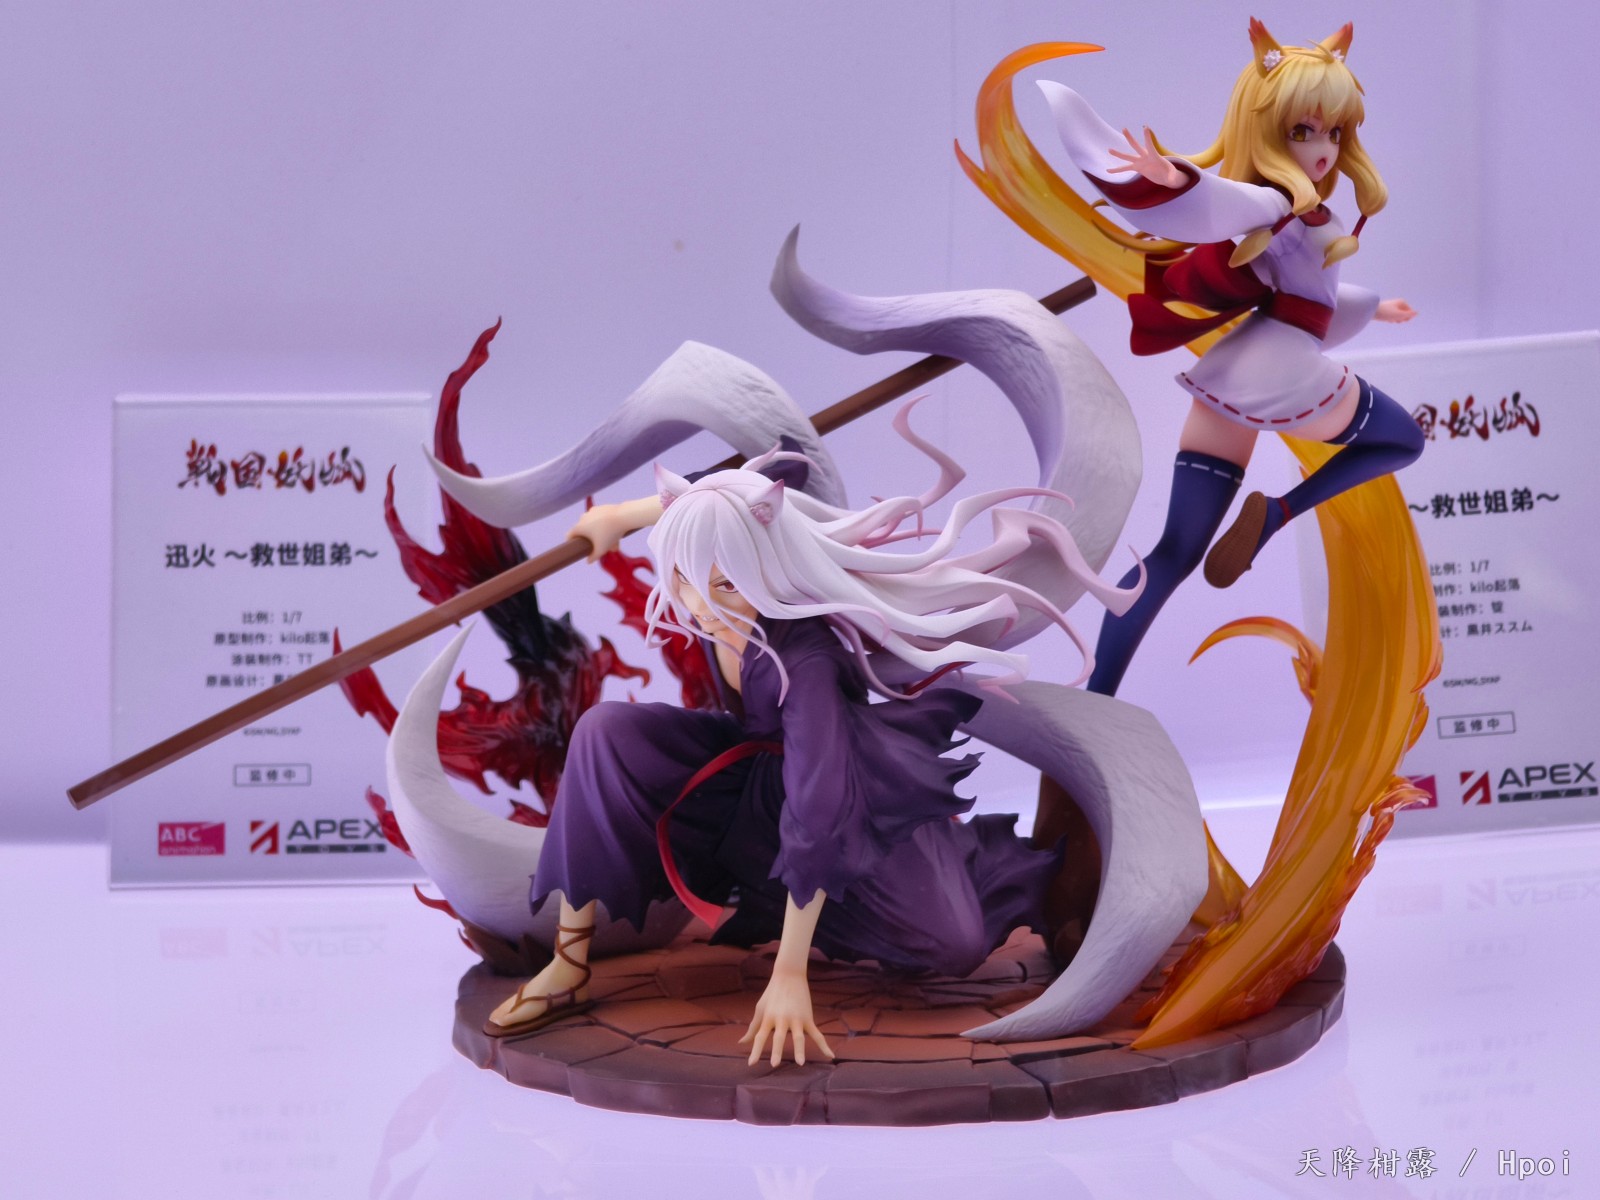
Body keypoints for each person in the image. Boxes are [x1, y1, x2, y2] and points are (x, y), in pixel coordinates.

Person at [482, 425, 1140, 1066]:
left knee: (952, 943)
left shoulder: (805, 654)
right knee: (604, 732)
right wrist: (623, 515)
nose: (701, 604)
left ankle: (970, 866)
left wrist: (789, 974)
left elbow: (818, 806)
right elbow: (743, 487)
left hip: (844, 788)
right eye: (683, 577)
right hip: (752, 774)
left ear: (763, 564)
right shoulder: (722, 546)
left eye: (725, 584)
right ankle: (568, 963)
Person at [1030, 19, 1424, 695]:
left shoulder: (1301, 214)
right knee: (1402, 440)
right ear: (1264, 131)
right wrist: (1175, 181)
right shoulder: (1276, 202)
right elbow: (1220, 203)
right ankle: (1278, 514)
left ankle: (1095, 695)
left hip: (1231, 379)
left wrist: (1376, 307)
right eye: (1303, 131)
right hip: (1282, 369)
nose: (1323, 149)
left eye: (1333, 132)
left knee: (1175, 552)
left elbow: (1315, 295)